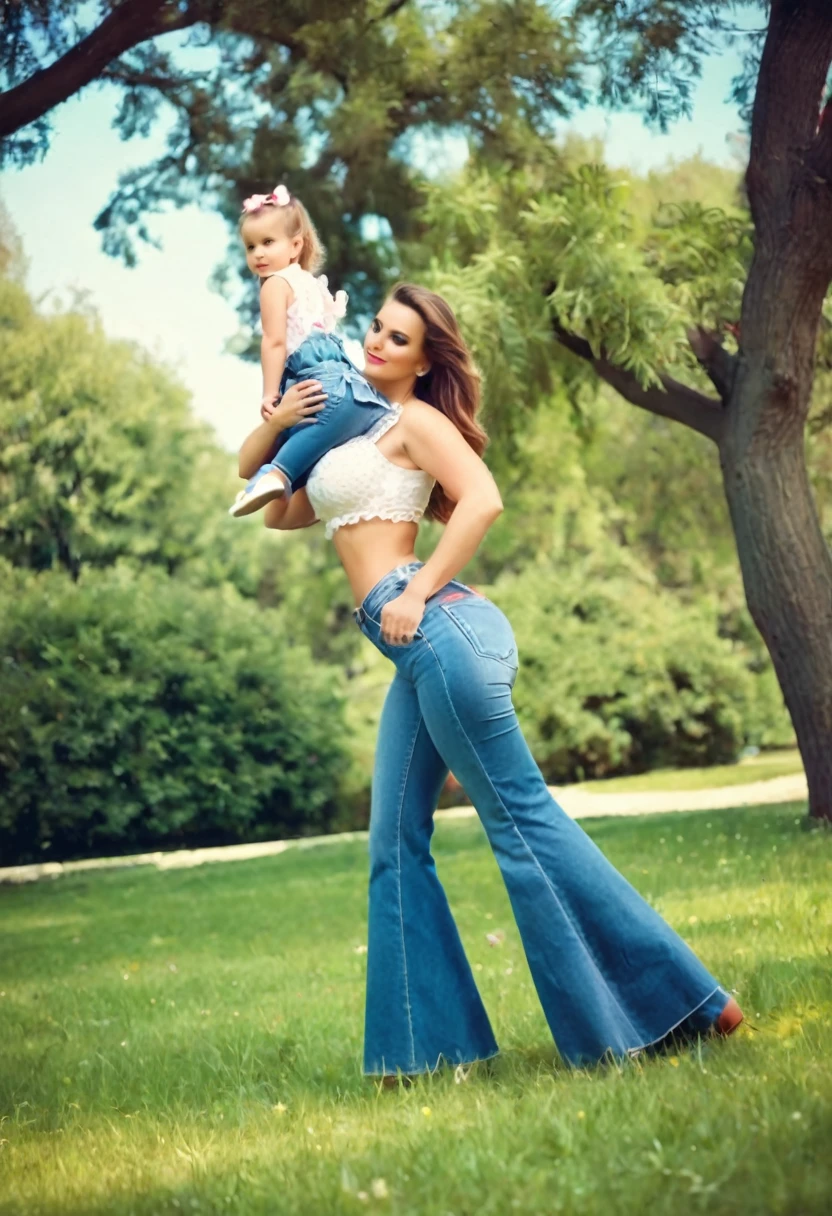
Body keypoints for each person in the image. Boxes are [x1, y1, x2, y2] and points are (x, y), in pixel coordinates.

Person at [239, 282, 743, 1079]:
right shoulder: (353, 431)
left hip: (440, 633)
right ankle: (424, 1051)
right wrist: (278, 419)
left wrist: (415, 588)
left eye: (398, 339)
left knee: (521, 820)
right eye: (375, 328)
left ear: (425, 359)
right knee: (394, 841)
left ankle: (692, 1005)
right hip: (419, 649)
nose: (375, 343)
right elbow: (277, 512)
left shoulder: (420, 422)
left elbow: (483, 499)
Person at [228, 184, 392, 518]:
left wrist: (270, 395)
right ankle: (295, 482)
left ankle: (274, 475)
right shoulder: (310, 284)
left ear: (296, 245)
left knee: (279, 469)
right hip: (360, 396)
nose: (258, 254)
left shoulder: (275, 285)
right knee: (313, 469)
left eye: (267, 242)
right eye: (250, 247)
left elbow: (274, 342)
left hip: (321, 392)